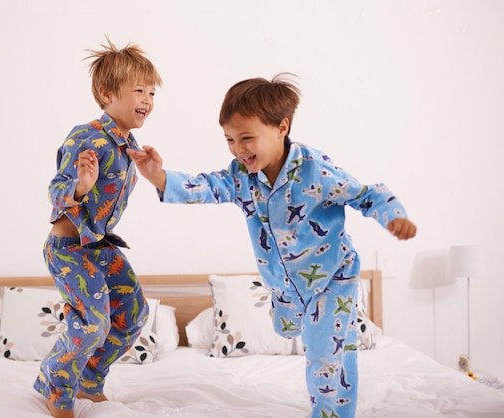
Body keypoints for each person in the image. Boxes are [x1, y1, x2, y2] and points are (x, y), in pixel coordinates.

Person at [128, 73, 417, 418]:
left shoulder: (316, 171)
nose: (238, 149)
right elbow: (206, 186)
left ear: (282, 127)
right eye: (230, 140)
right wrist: (158, 176)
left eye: (246, 138)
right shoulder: (242, 177)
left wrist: (393, 217)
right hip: (283, 285)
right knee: (288, 325)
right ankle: (296, 318)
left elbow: (367, 194)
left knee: (326, 354)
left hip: (332, 278)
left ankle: (331, 411)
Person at [34, 37, 162, 418]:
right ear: (107, 93)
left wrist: (152, 171)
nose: (148, 100)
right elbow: (57, 187)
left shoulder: (128, 144)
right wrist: (80, 186)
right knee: (93, 323)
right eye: (139, 90)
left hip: (101, 248)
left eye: (152, 92)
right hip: (69, 250)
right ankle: (56, 383)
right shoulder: (87, 135)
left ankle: (90, 378)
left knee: (134, 313)